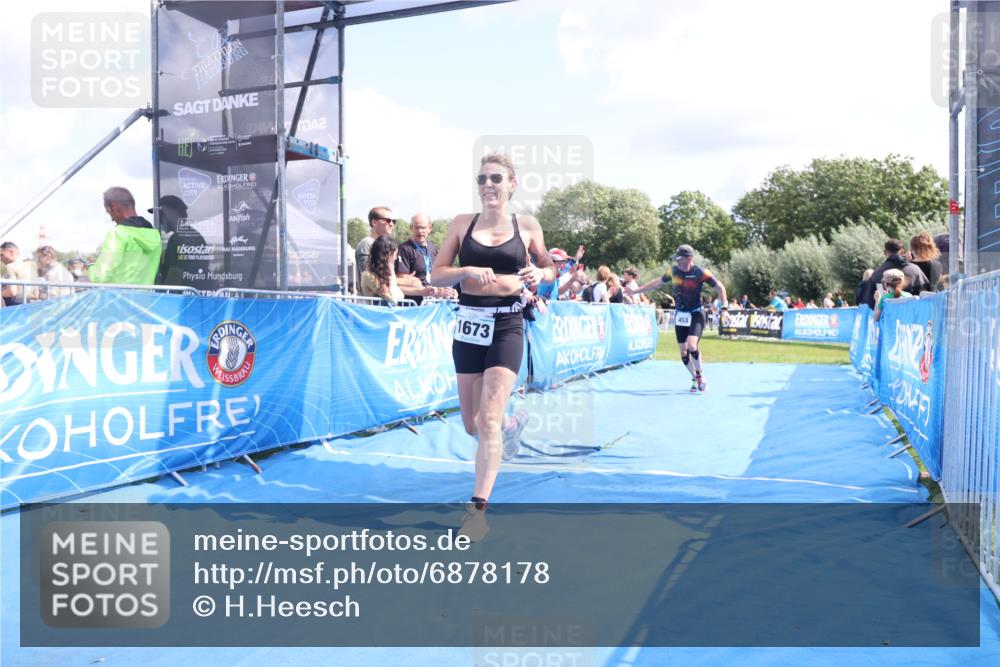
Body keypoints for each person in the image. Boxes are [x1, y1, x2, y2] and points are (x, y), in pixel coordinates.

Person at [429, 152, 555, 535]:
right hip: (468, 324)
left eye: (496, 178)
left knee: (487, 420)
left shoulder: (527, 225)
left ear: (511, 184)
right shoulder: (461, 223)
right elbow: (437, 274)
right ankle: (512, 425)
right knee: (472, 424)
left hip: (507, 325)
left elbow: (549, 267)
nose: (488, 185)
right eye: (482, 178)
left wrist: (541, 274)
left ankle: (477, 511)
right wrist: (466, 269)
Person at [626, 244, 727, 393]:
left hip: (696, 314)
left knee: (692, 345)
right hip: (680, 315)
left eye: (680, 259)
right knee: (684, 352)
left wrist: (724, 308)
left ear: (689, 258)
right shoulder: (673, 271)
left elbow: (720, 288)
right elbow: (656, 283)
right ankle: (694, 378)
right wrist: (635, 291)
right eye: (677, 259)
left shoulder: (701, 272)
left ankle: (700, 374)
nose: (677, 262)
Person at [88, 187, 162, 284]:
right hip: (146, 294)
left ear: (114, 207)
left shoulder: (118, 234)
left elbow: (100, 276)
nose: (112, 219)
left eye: (109, 212)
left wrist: (91, 268)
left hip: (116, 294)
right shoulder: (155, 236)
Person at [149, 195, 211, 287]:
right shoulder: (194, 234)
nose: (159, 221)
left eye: (160, 215)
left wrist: (164, 293)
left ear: (168, 212)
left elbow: (174, 277)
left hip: (184, 294)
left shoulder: (177, 239)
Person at [395, 213, 457, 304]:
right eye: (417, 227)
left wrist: (448, 290)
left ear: (430, 228)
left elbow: (439, 274)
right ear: (411, 228)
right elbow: (402, 278)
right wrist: (421, 288)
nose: (420, 231)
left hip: (433, 301)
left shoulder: (433, 248)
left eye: (423, 227)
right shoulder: (404, 249)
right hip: (415, 304)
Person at [861, 239, 929, 309]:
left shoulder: (877, 273)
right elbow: (926, 295)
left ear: (885, 252)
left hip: (887, 314)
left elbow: (869, 301)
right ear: (902, 251)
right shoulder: (915, 270)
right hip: (913, 313)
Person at [356, 206, 395, 290]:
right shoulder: (366, 243)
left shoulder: (390, 245)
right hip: (373, 296)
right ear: (374, 222)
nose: (391, 224)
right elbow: (369, 276)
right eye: (387, 220)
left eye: (393, 221)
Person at [360, 235, 405, 304]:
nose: (396, 258)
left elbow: (401, 296)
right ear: (387, 255)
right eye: (395, 254)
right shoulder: (368, 275)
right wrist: (391, 273)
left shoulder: (384, 274)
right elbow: (393, 299)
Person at [1, 241, 35, 306]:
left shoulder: (10, 266)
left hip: (14, 307)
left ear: (11, 252)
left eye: (2, 255)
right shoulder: (28, 266)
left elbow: (11, 292)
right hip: (29, 305)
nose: (0, 258)